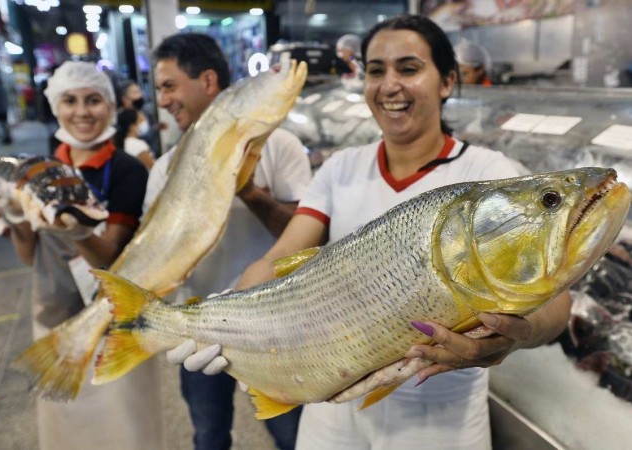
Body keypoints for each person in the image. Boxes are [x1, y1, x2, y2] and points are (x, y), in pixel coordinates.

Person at [177, 15, 572, 450]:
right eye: (375, 70)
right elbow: (278, 257)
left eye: (408, 68)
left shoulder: (487, 174)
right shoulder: (341, 166)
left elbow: (557, 307)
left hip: (440, 423)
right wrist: (224, 316)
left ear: (447, 81)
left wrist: (514, 337)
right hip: (333, 416)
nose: (388, 85)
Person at [0, 61, 163, 450]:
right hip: (52, 314)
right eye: (70, 101)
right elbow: (30, 257)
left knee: (127, 430)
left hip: (112, 324)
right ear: (54, 106)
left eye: (93, 100)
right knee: (65, 433)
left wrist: (78, 230)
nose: (82, 112)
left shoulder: (127, 170)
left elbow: (112, 260)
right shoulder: (40, 166)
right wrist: (16, 218)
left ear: (110, 107)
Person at [148, 33, 312, 450]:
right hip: (198, 327)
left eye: (169, 86)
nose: (162, 100)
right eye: (159, 89)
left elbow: (308, 234)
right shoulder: (165, 169)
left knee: (294, 434)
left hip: (276, 328)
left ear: (207, 81)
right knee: (209, 435)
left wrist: (249, 191)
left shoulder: (280, 146)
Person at [118, 79, 167, 156]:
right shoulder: (121, 118)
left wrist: (156, 128)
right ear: (125, 99)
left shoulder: (146, 111)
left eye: (139, 91)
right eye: (135, 93)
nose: (139, 95)